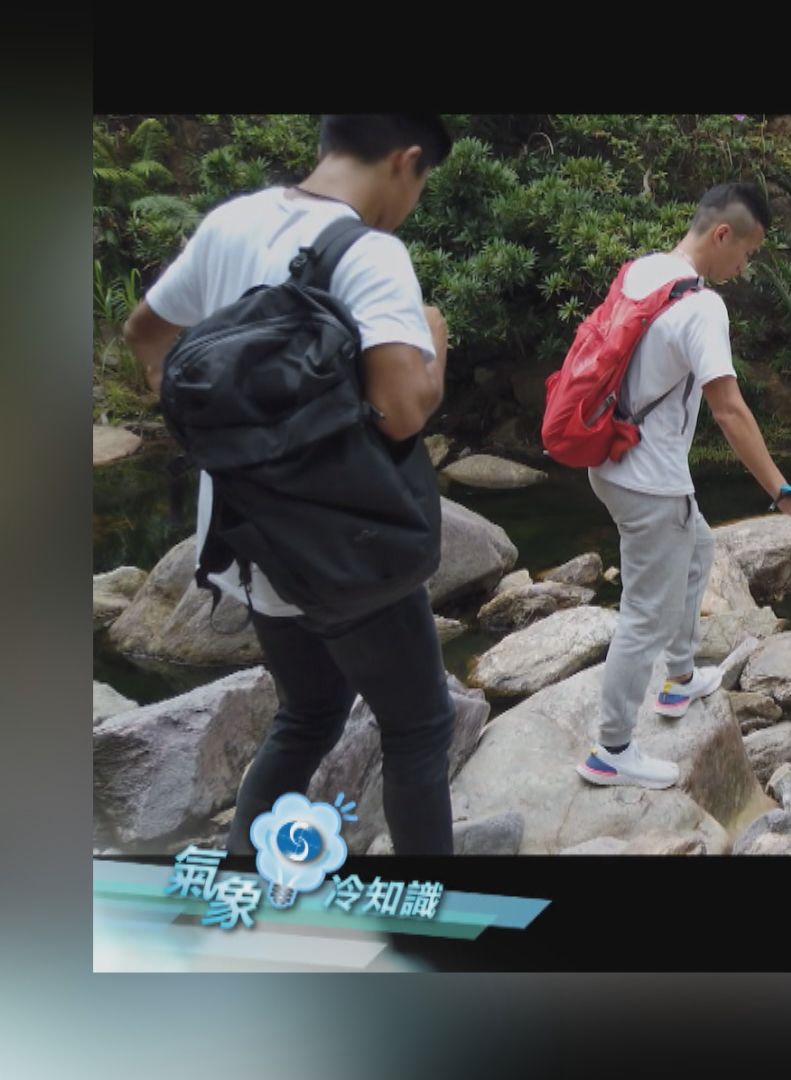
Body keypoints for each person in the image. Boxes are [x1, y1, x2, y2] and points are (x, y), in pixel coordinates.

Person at [122, 114, 460, 854]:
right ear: (406, 161)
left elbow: (146, 331)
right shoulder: (372, 254)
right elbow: (402, 410)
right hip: (346, 546)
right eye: (421, 183)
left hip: (246, 538)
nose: (413, 200)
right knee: (420, 727)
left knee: (309, 712)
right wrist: (432, 342)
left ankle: (240, 886)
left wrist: (203, 429)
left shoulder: (230, 221)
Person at [577, 181, 791, 789]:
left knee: (701, 548)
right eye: (746, 254)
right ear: (722, 235)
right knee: (644, 615)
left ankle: (681, 677)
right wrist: (781, 492)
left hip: (613, 458)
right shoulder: (702, 307)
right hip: (650, 482)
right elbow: (730, 411)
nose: (743, 269)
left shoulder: (643, 272)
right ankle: (611, 750)